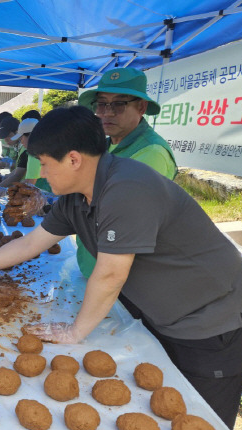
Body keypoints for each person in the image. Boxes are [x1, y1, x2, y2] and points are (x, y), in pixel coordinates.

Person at [0, 106, 242, 430]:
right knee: (164, 411)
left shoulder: (128, 187)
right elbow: (31, 244)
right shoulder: (74, 195)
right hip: (165, 313)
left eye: (45, 164)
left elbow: (112, 272)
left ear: (73, 160)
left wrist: (75, 331)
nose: (41, 173)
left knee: (200, 424)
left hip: (213, 318)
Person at [75, 67, 177, 278]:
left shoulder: (151, 152)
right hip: (94, 263)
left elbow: (117, 215)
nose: (107, 113)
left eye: (119, 104)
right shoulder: (104, 145)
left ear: (141, 107)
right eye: (102, 104)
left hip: (122, 276)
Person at [0, 117, 34, 197]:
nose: (6, 139)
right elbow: (17, 171)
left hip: (34, 194)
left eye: (8, 135)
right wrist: (4, 177)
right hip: (27, 192)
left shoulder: (26, 150)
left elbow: (18, 176)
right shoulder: (21, 148)